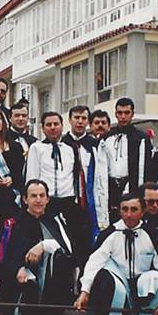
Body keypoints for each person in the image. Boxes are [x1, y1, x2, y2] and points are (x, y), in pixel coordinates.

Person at [75, 190, 158, 315]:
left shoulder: (153, 235)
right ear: (119, 211)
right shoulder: (111, 233)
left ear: (142, 212)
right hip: (117, 288)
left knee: (154, 276)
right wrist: (85, 292)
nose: (128, 215)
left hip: (142, 290)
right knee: (103, 275)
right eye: (125, 209)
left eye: (134, 210)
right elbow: (94, 262)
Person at [0, 179, 76, 315]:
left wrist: (44, 245)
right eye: (33, 196)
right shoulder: (15, 222)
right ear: (25, 199)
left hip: (50, 278)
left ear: (48, 199)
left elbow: (69, 250)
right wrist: (18, 268)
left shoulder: (55, 220)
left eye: (42, 195)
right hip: (23, 276)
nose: (38, 200)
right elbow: (6, 253)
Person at [25, 112, 90, 263]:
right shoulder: (37, 148)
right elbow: (32, 178)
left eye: (56, 124)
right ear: (43, 128)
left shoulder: (69, 148)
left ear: (62, 126)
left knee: (76, 242)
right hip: (48, 203)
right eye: (49, 125)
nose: (53, 128)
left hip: (68, 202)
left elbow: (75, 176)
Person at [61, 105, 110, 247]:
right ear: (69, 120)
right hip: (69, 201)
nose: (80, 121)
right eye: (76, 118)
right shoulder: (62, 144)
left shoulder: (96, 145)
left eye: (83, 118)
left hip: (89, 202)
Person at [101, 97, 153, 220]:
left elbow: (147, 168)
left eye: (126, 113)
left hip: (133, 186)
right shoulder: (106, 138)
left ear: (132, 114)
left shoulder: (142, 138)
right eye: (120, 113)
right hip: (110, 189)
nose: (123, 116)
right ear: (115, 114)